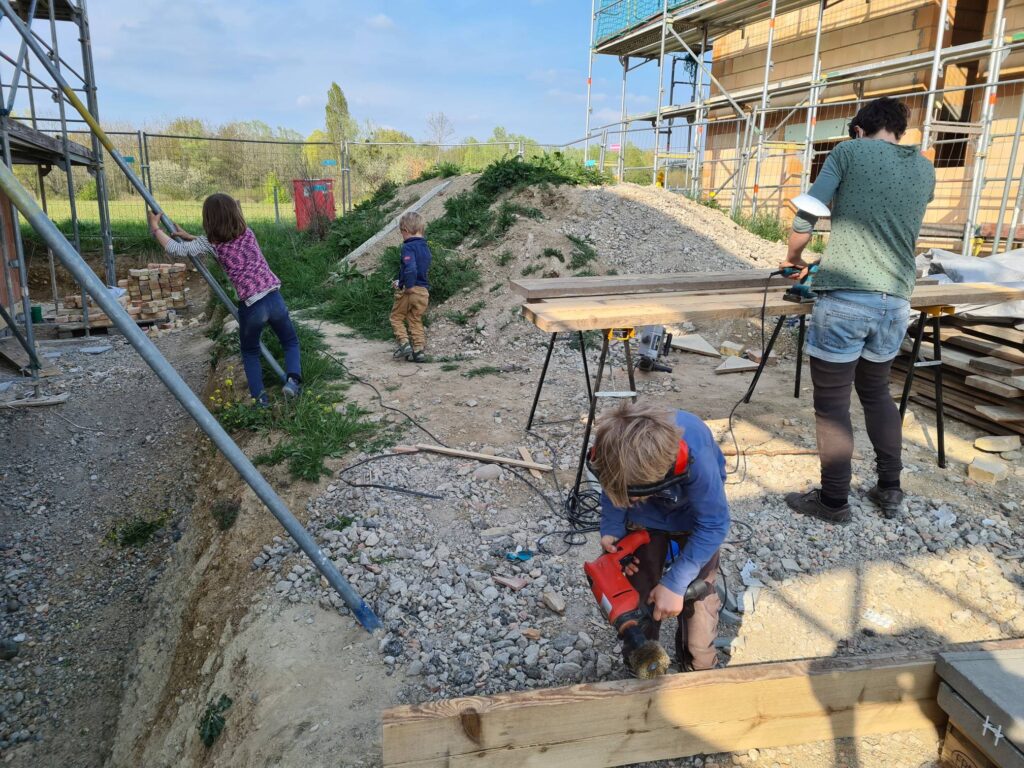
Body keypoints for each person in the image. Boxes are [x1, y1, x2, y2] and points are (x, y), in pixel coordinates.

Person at [780, 96, 935, 523]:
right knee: (877, 395)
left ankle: (833, 502)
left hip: (847, 297)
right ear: (898, 132)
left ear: (859, 128)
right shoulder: (924, 168)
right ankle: (890, 489)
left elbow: (808, 212)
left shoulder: (849, 151)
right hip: (895, 302)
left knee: (831, 406)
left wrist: (793, 257)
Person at [591, 402, 729, 673]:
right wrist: (613, 530)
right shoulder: (614, 454)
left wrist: (676, 584)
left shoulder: (695, 456)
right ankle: (642, 659)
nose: (626, 500)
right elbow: (611, 488)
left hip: (695, 516)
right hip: (646, 518)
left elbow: (714, 523)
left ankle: (700, 668)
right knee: (639, 590)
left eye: (632, 495)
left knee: (698, 600)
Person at [147, 195, 302, 406]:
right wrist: (191, 236)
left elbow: (176, 249)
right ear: (236, 214)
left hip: (252, 305)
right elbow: (228, 239)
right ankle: (293, 382)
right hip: (273, 296)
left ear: (208, 219)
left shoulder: (210, 243)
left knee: (250, 350)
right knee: (290, 341)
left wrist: (156, 228)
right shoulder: (248, 233)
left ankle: (260, 399)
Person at [389, 211, 432, 363]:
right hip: (423, 291)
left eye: (401, 233)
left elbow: (411, 268)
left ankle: (404, 344)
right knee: (415, 319)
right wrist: (400, 280)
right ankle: (419, 351)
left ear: (405, 230)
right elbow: (420, 268)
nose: (402, 236)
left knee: (396, 317)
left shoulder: (408, 247)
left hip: (410, 290)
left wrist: (407, 285)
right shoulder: (425, 247)